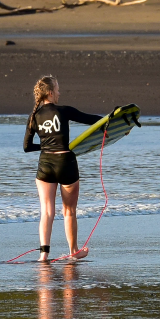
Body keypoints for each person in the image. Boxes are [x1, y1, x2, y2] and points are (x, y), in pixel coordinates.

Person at [24, 75, 103, 261]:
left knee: (47, 211)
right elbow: (92, 120)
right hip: (65, 164)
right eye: (58, 89)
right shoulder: (64, 111)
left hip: (45, 166)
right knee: (69, 211)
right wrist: (115, 120)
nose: (59, 92)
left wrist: (45, 147)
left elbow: (27, 147)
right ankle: (74, 251)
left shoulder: (33, 116)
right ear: (50, 93)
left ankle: (44, 254)